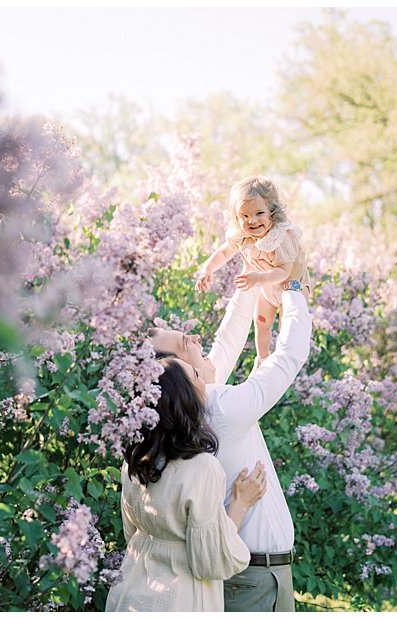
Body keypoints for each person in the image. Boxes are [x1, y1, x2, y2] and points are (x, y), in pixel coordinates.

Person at [149, 281, 313, 611]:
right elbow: (290, 355)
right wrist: (292, 286)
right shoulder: (220, 407)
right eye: (186, 342)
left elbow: (227, 341)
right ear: (178, 373)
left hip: (256, 575)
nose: (196, 338)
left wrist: (252, 276)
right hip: (250, 578)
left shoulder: (194, 408)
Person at [105, 358, 269, 612]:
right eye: (196, 376)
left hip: (128, 595)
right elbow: (212, 562)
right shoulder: (201, 468)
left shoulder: (135, 461)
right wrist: (240, 504)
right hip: (178, 600)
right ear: (184, 396)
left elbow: (131, 534)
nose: (205, 382)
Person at [196, 176, 310, 363]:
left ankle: (282, 361)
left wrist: (257, 278)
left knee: (287, 326)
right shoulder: (244, 236)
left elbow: (283, 271)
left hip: (292, 287)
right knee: (261, 322)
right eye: (245, 216)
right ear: (237, 216)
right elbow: (224, 253)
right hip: (267, 287)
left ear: (272, 212)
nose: (252, 221)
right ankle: (262, 358)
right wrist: (207, 270)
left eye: (259, 213)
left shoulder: (281, 236)